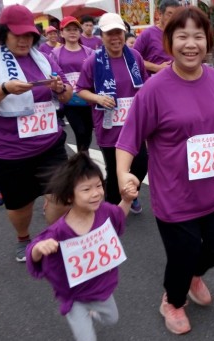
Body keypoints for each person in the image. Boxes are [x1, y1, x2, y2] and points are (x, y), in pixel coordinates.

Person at [116, 7, 214, 334]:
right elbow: (129, 138)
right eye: (182, 37)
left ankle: (193, 274)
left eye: (197, 36)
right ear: (168, 41)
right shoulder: (155, 89)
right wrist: (123, 173)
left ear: (208, 40)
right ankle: (173, 300)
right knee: (183, 253)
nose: (190, 44)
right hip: (174, 194)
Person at [0, 4, 74, 262]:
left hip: (50, 144)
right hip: (11, 152)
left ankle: (51, 237)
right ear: (4, 34)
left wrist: (60, 88)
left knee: (62, 198)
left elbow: (69, 94)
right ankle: (23, 238)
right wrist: (3, 89)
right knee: (20, 206)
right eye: (18, 35)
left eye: (29, 35)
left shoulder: (44, 59)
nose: (25, 40)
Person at [26, 152, 137, 341]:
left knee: (112, 319)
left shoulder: (105, 211)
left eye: (99, 186)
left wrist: (127, 200)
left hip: (100, 288)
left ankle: (93, 312)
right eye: (86, 189)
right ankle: (81, 315)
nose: (96, 193)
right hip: (74, 296)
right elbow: (34, 252)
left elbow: (118, 216)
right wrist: (38, 249)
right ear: (70, 196)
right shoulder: (59, 231)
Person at [77, 13, 149, 213]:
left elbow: (145, 84)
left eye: (119, 32)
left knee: (142, 164)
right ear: (102, 35)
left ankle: (129, 190)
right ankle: (112, 209)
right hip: (109, 127)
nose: (115, 37)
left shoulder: (135, 57)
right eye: (110, 33)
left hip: (134, 126)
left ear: (124, 33)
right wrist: (98, 98)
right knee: (114, 168)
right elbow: (80, 89)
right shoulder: (93, 61)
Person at [51, 16, 95, 153]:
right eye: (68, 29)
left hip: (87, 99)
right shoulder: (55, 54)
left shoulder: (89, 52)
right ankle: (83, 161)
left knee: (87, 133)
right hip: (69, 101)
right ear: (62, 33)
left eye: (75, 29)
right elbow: (52, 74)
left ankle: (83, 158)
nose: (72, 32)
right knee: (80, 132)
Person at [132, 0, 179, 74]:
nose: (173, 18)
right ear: (160, 14)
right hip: (154, 79)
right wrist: (157, 67)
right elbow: (132, 58)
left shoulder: (180, 34)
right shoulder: (148, 33)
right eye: (169, 14)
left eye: (176, 15)